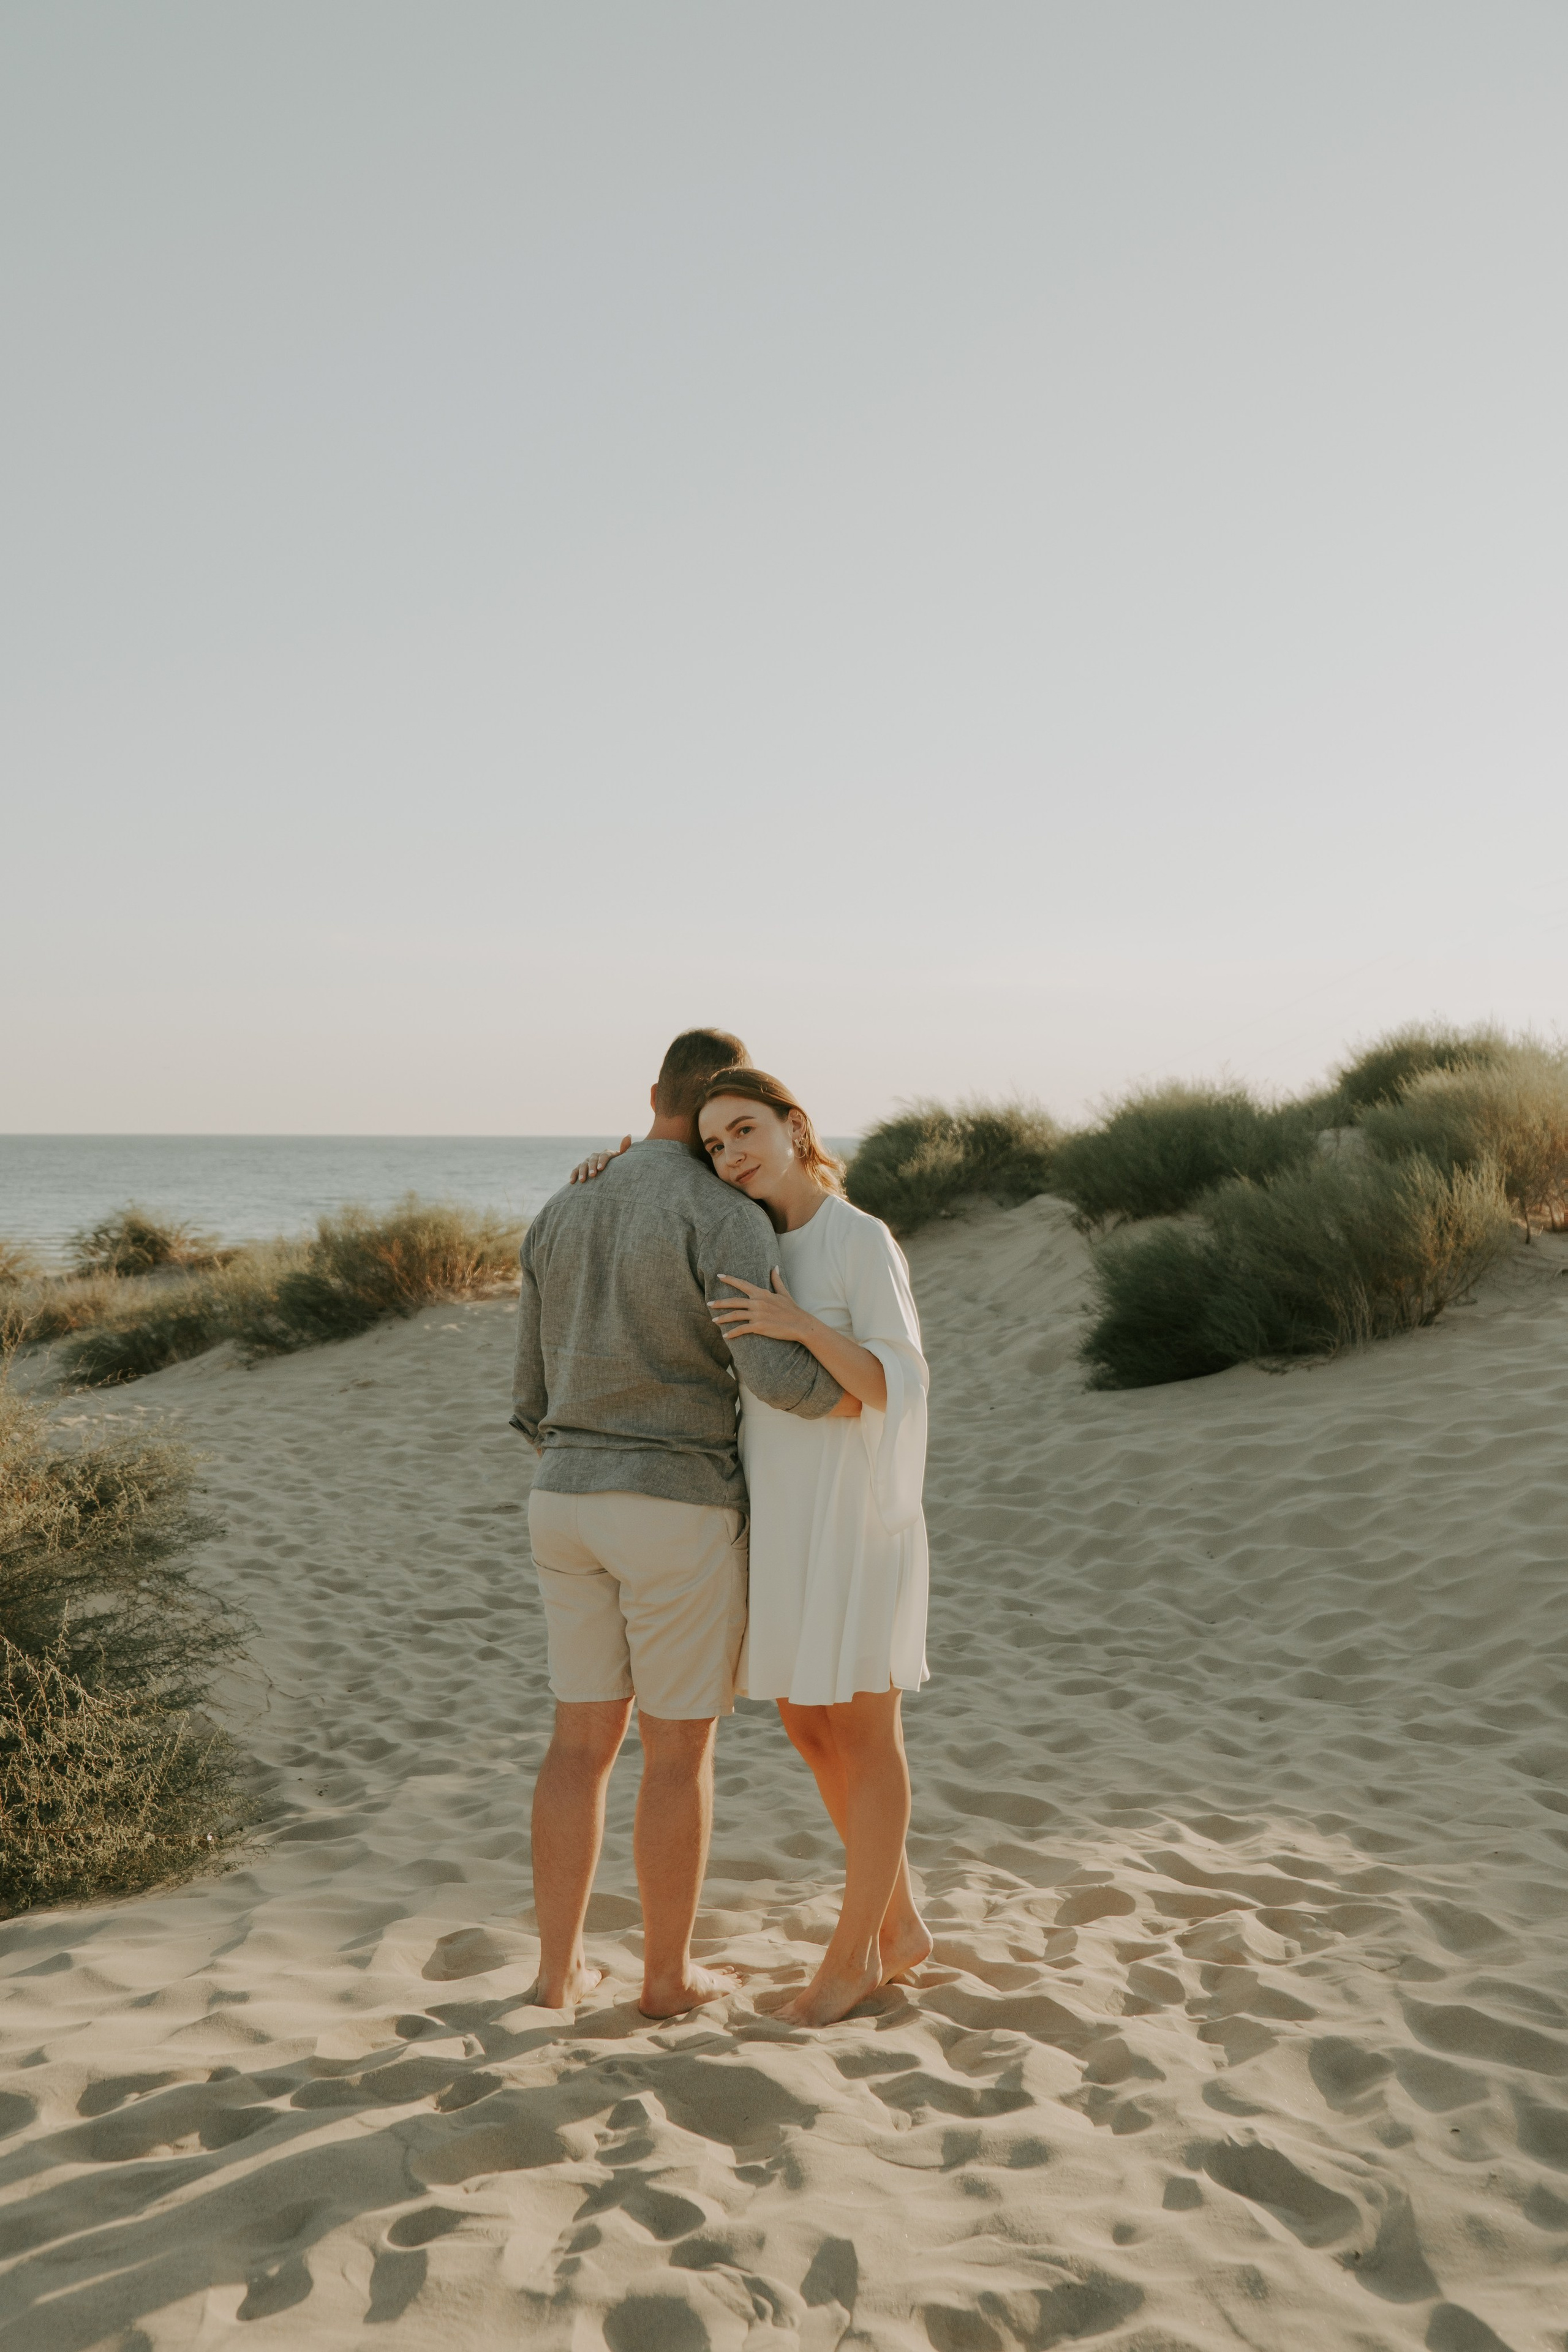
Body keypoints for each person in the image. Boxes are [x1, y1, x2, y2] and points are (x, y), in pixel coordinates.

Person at [575, 1066, 932, 2027]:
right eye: (716, 1145)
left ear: (793, 1124)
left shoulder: (860, 1238)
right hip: (778, 1510)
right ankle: (901, 1930)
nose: (732, 1155)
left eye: (745, 1132)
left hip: (851, 1511)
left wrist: (799, 1324)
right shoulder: (753, 1232)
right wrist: (602, 1177)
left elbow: (898, 1385)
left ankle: (854, 1956)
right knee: (809, 1727)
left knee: (864, 1730)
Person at [511, 1028, 851, 2018]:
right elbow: (779, 1378)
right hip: (674, 1505)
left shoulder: (563, 1202)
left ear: (653, 1091)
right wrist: (873, 1391)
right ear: (715, 1115)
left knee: (577, 1745)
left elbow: (528, 1392)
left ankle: (556, 1974)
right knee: (676, 1751)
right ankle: (665, 1981)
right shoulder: (722, 1210)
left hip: (563, 1498)